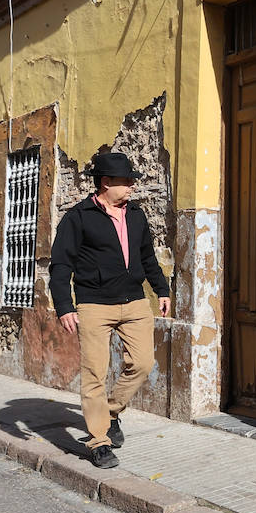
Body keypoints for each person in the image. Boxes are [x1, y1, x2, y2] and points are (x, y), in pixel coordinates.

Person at [49, 151, 171, 469]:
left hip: (134, 302)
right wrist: (64, 305)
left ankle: (111, 411)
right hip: (93, 305)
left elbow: (147, 258)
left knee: (143, 363)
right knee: (94, 373)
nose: (132, 186)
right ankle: (99, 441)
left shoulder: (136, 216)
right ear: (106, 183)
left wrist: (162, 290)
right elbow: (61, 264)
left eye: (132, 181)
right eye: (126, 181)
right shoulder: (79, 217)